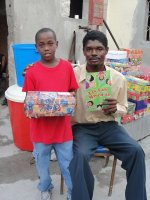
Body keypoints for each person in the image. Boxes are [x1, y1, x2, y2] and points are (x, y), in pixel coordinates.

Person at [69, 30, 147, 200]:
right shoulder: (72, 75)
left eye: (99, 49)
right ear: (83, 51)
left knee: (136, 151)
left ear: (106, 50)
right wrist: (32, 71)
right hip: (82, 128)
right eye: (89, 49)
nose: (94, 53)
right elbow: (51, 80)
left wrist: (115, 109)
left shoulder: (118, 78)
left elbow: (124, 108)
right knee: (79, 156)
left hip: (109, 126)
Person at [22, 28, 78, 200]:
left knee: (68, 164)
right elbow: (29, 100)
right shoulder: (31, 72)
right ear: (36, 48)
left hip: (62, 130)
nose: (46, 48)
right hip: (40, 131)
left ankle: (72, 192)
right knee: (42, 164)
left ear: (57, 44)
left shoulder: (67, 67)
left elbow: (72, 92)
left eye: (50, 43)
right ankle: (45, 187)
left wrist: (68, 101)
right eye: (41, 45)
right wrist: (31, 109)